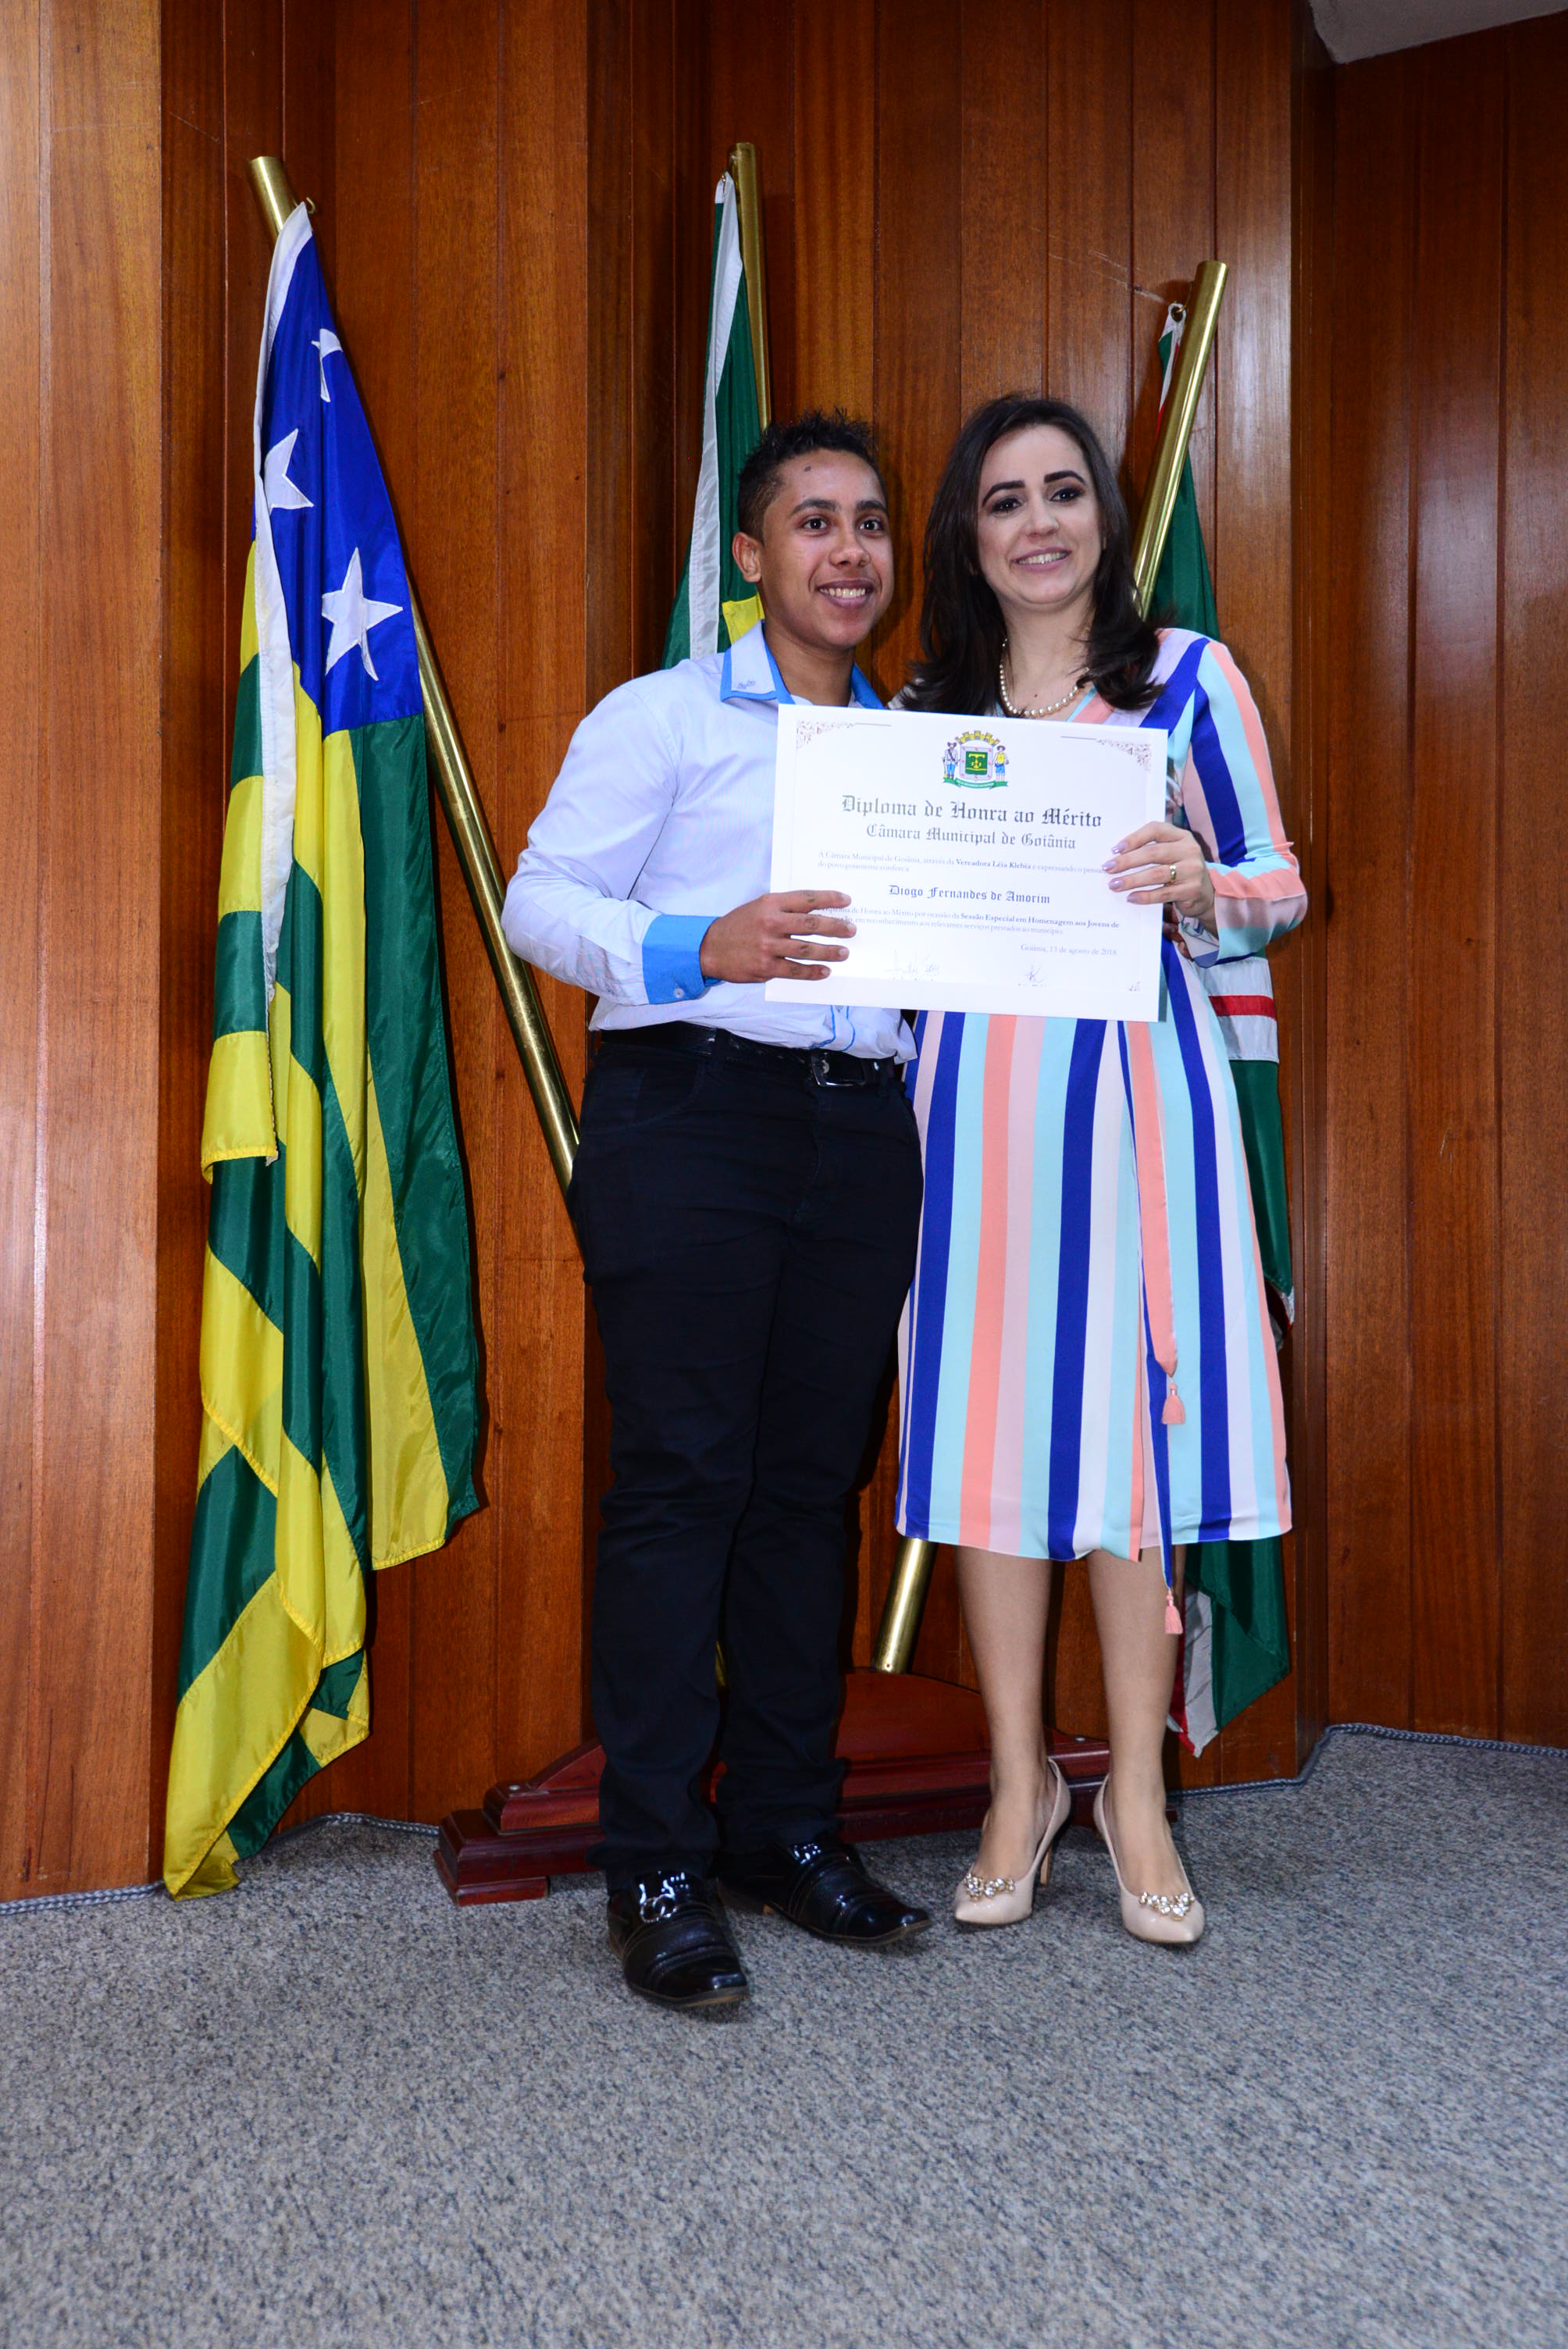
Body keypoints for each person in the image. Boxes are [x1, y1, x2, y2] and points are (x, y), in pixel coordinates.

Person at [503, 412, 930, 2012]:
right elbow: (539, 900)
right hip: (692, 1111)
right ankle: (658, 1863)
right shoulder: (663, 716)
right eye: (814, 522)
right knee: (684, 1483)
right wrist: (703, 944)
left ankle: (784, 1831)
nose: (848, 550)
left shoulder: (918, 749)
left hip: (861, 1126)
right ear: (750, 556)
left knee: (810, 1491)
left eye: (868, 522)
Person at [896, 395, 1306, 1945]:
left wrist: (1198, 880)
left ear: (1104, 518)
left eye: (1063, 492)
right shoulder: (925, 711)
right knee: (988, 1449)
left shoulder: (1187, 678)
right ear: (969, 534)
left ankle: (1134, 1793)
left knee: (1132, 1443)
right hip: (971, 1117)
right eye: (1004, 499)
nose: (1038, 523)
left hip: (1140, 1113)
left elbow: (1278, 885)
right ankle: (1018, 1788)